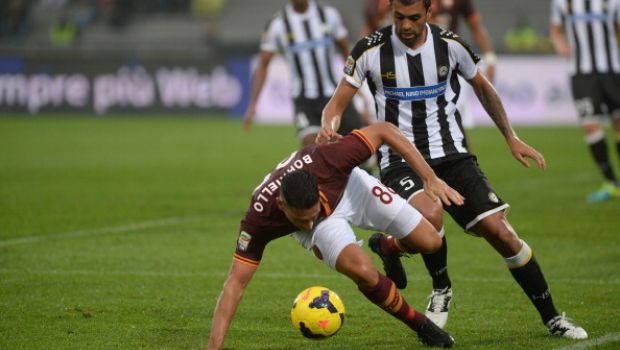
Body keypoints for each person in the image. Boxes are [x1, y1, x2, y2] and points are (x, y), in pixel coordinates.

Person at [317, 0, 588, 340]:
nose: (406, 26)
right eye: (399, 17)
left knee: (502, 233)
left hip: (453, 155)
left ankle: (553, 319)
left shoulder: (451, 45)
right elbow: (337, 103)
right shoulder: (369, 50)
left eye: (414, 18)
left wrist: (511, 137)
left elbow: (484, 89)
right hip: (400, 159)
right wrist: (329, 126)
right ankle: (442, 288)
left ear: (429, 12)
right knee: (429, 214)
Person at [206, 122, 464, 349]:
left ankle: (388, 247)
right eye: (300, 219)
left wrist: (429, 178)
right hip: (325, 226)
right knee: (362, 270)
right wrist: (213, 347)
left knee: (431, 242)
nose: (306, 223)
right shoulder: (260, 217)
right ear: (282, 205)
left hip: (352, 188)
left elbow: (384, 130)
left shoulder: (332, 159)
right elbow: (235, 283)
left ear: (318, 192)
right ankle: (420, 325)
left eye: (310, 214)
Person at [243, 0, 367, 146]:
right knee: (311, 147)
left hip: (334, 95)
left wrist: (356, 86)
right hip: (304, 100)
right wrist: (253, 104)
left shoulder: (329, 15)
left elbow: (347, 52)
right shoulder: (278, 23)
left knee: (357, 145)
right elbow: (263, 64)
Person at [550, 0, 620, 202]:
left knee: (618, 123)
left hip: (613, 71)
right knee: (590, 125)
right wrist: (560, 44)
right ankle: (611, 182)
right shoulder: (563, 2)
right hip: (581, 74)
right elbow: (555, 30)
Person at [429, 0, 496, 132]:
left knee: (455, 119)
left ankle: (461, 151)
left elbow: (475, 26)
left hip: (449, 65)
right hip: (414, 62)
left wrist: (490, 59)